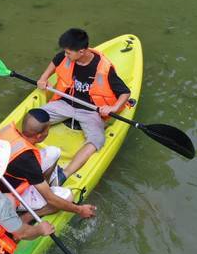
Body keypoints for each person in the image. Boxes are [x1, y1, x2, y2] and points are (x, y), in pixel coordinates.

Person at [36, 28, 132, 181]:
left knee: (97, 140)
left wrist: (112, 108)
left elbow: (125, 93)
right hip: (65, 102)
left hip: (90, 111)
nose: (65, 55)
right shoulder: (66, 56)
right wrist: (43, 77)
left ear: (81, 52)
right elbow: (55, 61)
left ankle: (64, 174)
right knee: (35, 117)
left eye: (68, 53)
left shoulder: (103, 69)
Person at [0, 108, 97, 218]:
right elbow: (50, 199)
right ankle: (27, 217)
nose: (48, 132)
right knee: (67, 196)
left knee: (54, 152)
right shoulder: (28, 160)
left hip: (5, 175)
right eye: (47, 130)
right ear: (39, 136)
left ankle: (44, 186)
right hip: (10, 194)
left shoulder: (7, 131)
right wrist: (80, 210)